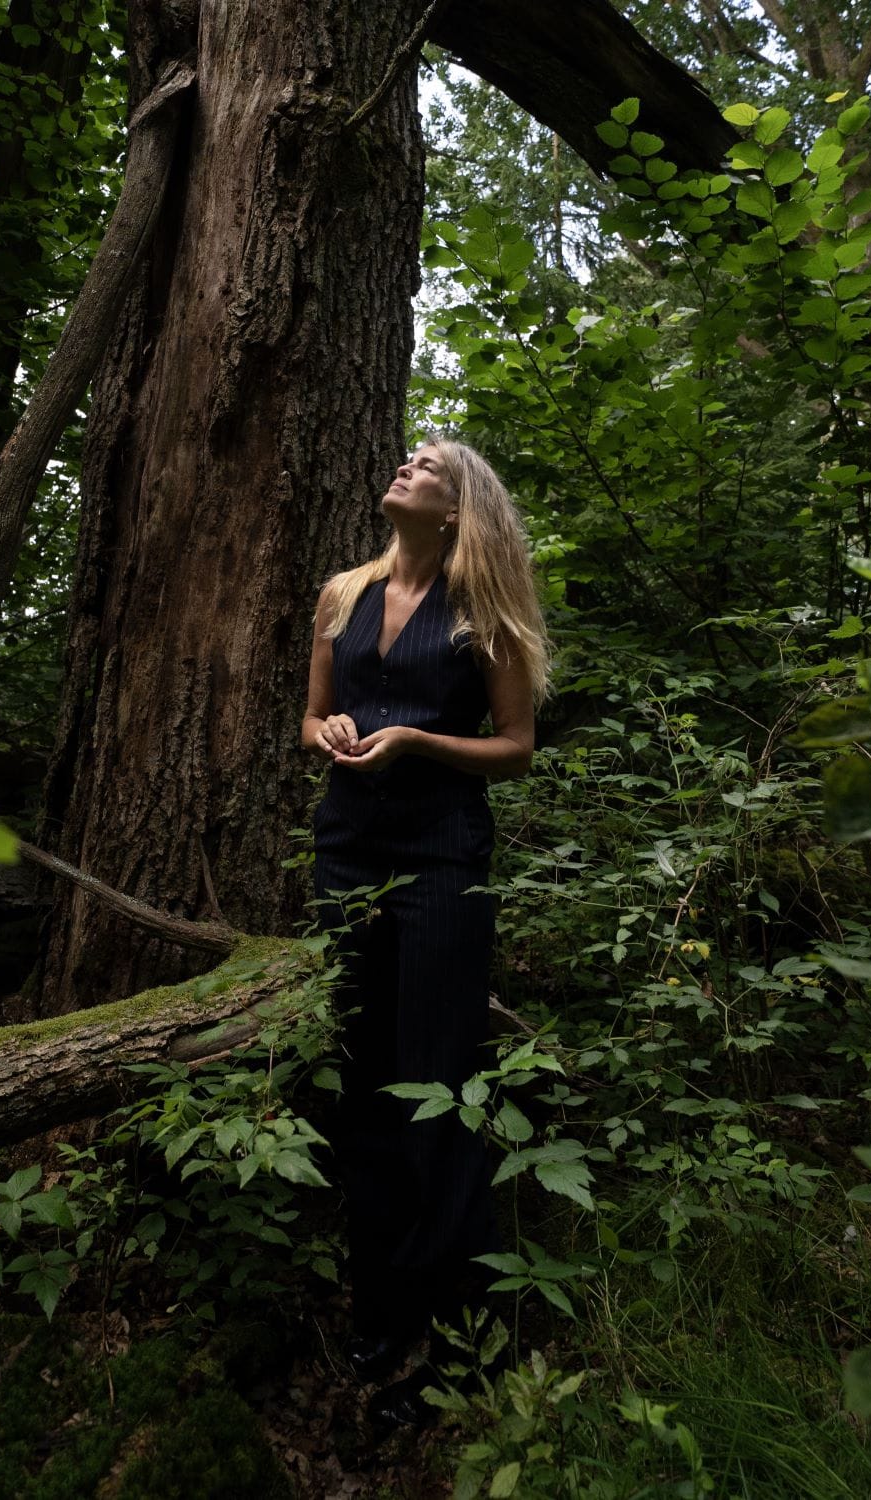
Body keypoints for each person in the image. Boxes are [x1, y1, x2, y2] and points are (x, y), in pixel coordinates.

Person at [300, 437, 549, 1426]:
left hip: (442, 863)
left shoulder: (483, 609)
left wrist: (413, 741)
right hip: (347, 857)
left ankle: (455, 1338)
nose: (406, 463)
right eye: (404, 456)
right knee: (360, 1079)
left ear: (458, 509)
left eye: (431, 465)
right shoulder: (340, 594)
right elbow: (311, 718)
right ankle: (381, 1306)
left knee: (438, 1089)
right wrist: (328, 734)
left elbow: (516, 747)